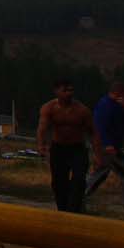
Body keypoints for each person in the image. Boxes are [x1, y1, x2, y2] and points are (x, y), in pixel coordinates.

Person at [36, 78, 98, 213]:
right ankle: (63, 211)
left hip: (77, 149)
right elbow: (42, 128)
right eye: (65, 90)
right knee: (59, 183)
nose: (69, 93)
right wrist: (41, 145)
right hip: (59, 149)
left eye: (71, 90)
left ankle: (73, 211)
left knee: (79, 180)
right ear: (56, 91)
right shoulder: (49, 108)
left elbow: (93, 133)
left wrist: (97, 154)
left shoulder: (82, 110)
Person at [86, 81, 124, 217]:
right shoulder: (105, 105)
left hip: (114, 146)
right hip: (108, 148)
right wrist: (107, 144)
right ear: (119, 92)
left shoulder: (118, 105)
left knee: (99, 175)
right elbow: (99, 126)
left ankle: (76, 198)